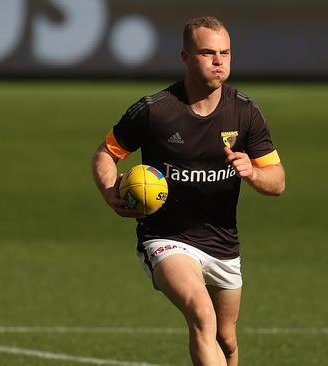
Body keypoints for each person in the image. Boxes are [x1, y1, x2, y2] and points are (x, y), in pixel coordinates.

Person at [92, 16, 285, 366]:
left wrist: (254, 174)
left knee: (226, 338)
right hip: (166, 237)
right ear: (185, 57)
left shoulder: (245, 113)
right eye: (208, 53)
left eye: (225, 52)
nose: (219, 61)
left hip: (223, 241)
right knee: (202, 314)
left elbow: (278, 180)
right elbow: (107, 153)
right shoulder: (155, 111)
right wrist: (109, 190)